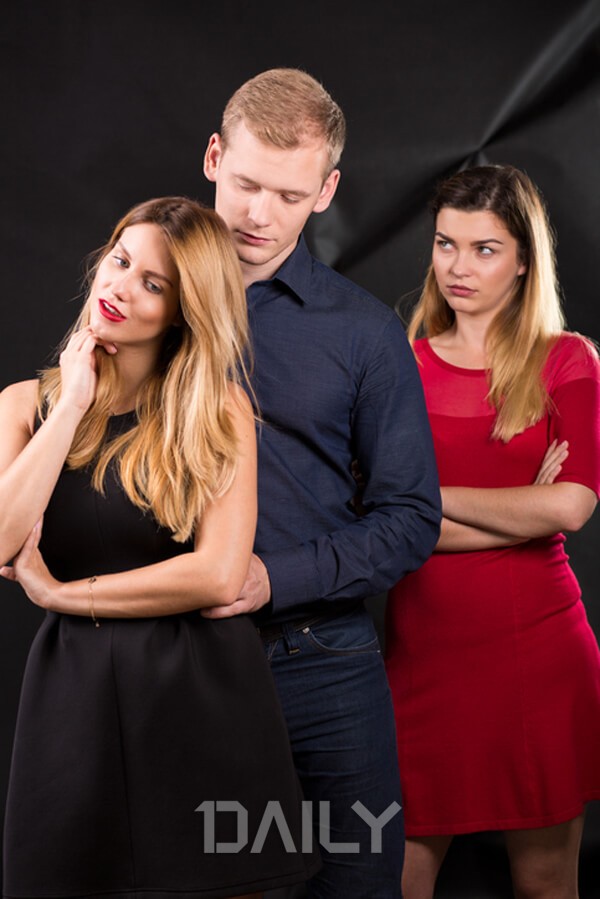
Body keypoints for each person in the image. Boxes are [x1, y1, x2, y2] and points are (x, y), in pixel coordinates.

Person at [0, 196, 321, 898]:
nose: (119, 287)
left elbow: (218, 574)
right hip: (73, 699)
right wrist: (72, 405)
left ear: (182, 311)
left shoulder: (220, 409)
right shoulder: (24, 405)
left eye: (152, 283)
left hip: (202, 695)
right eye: (120, 262)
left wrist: (60, 594)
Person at [200, 68, 442, 897]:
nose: (260, 215)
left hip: (323, 663)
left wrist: (273, 577)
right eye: (245, 183)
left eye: (290, 195)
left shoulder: (365, 333)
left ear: (327, 192)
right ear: (213, 158)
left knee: (356, 881)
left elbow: (410, 517)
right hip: (179, 661)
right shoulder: (144, 301)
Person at [384, 164, 600, 899]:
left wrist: (429, 502)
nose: (458, 266)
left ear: (524, 259)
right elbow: (384, 528)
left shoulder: (566, 358)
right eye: (446, 243)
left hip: (537, 648)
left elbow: (571, 506)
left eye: (484, 249)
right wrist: (518, 509)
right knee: (396, 877)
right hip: (423, 653)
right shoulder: (401, 366)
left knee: (545, 882)